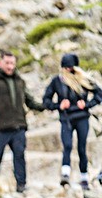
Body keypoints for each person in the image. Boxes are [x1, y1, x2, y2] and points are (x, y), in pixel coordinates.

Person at [0, 51, 45, 193]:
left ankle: (21, 185)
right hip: (0, 127)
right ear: (0, 63)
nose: (10, 66)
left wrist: (46, 106)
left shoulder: (20, 82)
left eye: (12, 63)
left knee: (19, 155)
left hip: (18, 125)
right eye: (7, 63)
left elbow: (30, 101)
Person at [43, 53, 102, 190]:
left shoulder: (83, 79)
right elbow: (46, 100)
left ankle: (84, 178)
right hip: (66, 118)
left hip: (82, 117)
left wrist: (87, 105)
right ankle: (65, 175)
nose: (69, 70)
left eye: (71, 67)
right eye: (67, 68)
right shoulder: (57, 81)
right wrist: (58, 105)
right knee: (67, 146)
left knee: (82, 147)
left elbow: (99, 94)